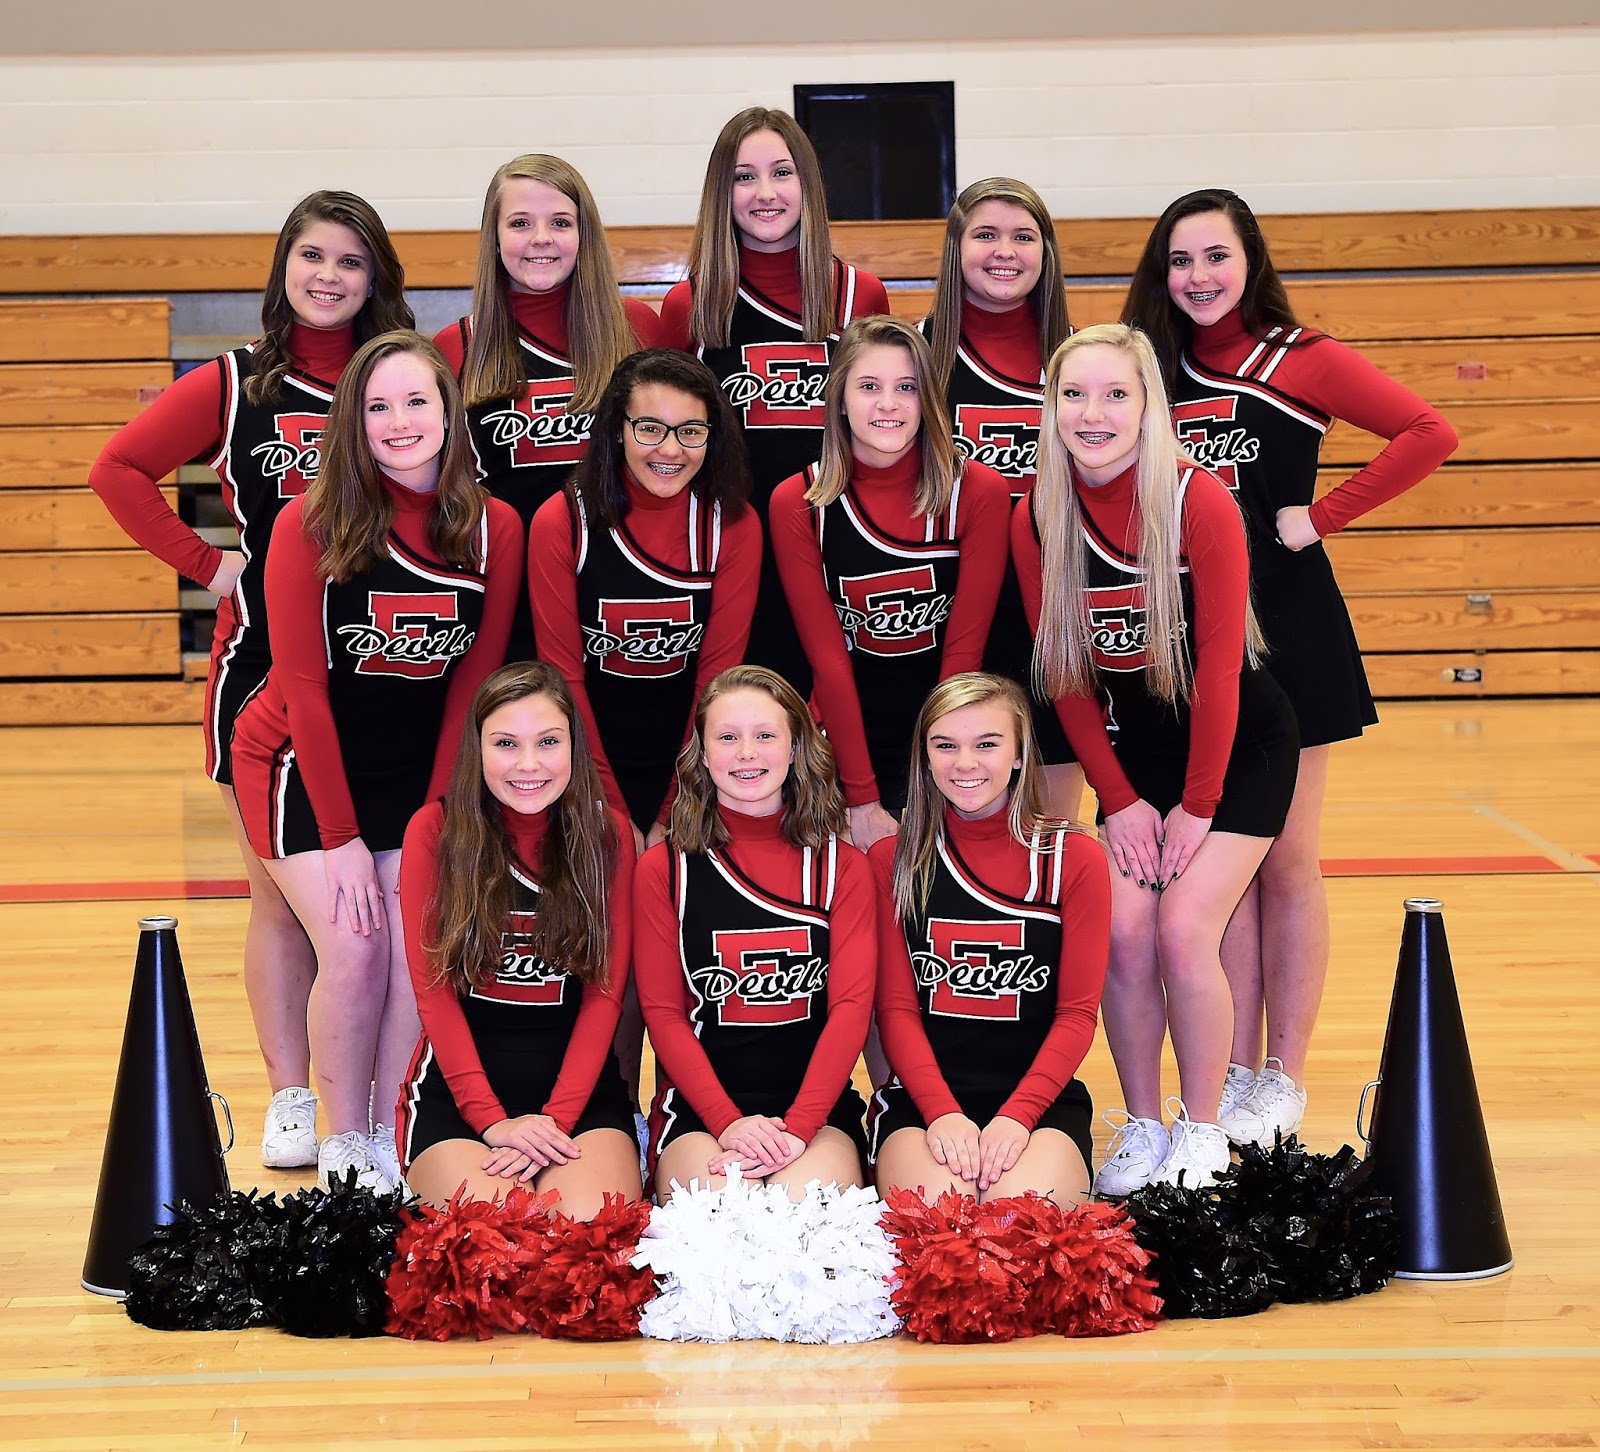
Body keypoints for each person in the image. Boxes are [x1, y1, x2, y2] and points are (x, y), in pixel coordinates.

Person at [1121, 189, 1458, 1146]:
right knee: (1224, 864)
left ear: (1250, 261)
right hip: (1185, 643)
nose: (1197, 278)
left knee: (1288, 860)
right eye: (1179, 261)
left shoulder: (1296, 358)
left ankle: (1284, 1075)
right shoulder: (1150, 367)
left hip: (1291, 628)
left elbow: (1429, 432)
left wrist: (1324, 516)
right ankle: (1228, 1066)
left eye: (1216, 257)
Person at [88, 191, 413, 1171]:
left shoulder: (397, 379)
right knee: (279, 902)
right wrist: (208, 564)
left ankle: (381, 1105)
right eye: (311, 256)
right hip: (264, 677)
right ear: (282, 268)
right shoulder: (235, 385)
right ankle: (290, 1094)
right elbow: (117, 469)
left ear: (375, 280)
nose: (328, 276)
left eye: (350, 262)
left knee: (378, 910)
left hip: (381, 676)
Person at [230, 331, 522, 1191]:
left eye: (417, 402)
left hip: (413, 770)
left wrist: (432, 818)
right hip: (298, 764)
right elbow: (304, 688)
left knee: (412, 942)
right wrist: (345, 836)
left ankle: (391, 1127)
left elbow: (474, 677)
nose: (399, 422)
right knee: (355, 944)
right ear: (352, 423)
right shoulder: (310, 520)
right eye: (377, 406)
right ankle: (344, 1137)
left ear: (448, 411)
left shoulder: (490, 523)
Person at [1014, 323, 1299, 1193]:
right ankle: (1141, 1126)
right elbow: (1064, 676)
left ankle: (1203, 1129)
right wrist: (1125, 800)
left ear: (1148, 407)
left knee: (1182, 930)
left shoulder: (1195, 499)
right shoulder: (1039, 512)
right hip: (1136, 765)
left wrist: (1199, 803)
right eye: (1074, 395)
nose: (1092, 413)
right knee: (1123, 937)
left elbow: (1218, 669)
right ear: (1050, 406)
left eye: (1115, 394)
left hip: (1238, 749)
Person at [657, 108, 890, 698]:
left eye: (782, 173)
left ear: (808, 185)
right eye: (743, 176)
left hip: (838, 546)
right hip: (731, 552)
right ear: (720, 192)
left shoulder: (859, 294)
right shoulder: (691, 305)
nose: (765, 193)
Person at [396, 663, 641, 1215]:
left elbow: (606, 995)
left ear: (574, 747)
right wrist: (492, 1119)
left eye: (548, 742)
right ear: (476, 748)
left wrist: (556, 1118)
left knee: (584, 1242)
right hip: (461, 1097)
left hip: (578, 1094)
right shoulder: (434, 832)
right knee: (502, 1243)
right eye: (506, 743)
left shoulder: (607, 835)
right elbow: (432, 993)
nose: (528, 764)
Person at [634, 666, 875, 1203]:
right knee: (717, 1229)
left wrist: (800, 1125)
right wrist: (727, 1122)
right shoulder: (663, 870)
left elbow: (851, 1009)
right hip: (699, 1111)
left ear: (796, 748)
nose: (747, 752)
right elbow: (664, 1016)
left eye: (765, 735)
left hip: (815, 1108)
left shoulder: (843, 868)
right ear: (700, 752)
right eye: (727, 736)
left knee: (808, 1227)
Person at [868, 673, 1109, 1209]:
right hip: (922, 1101)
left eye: (987, 744)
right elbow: (896, 1011)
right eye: (945, 745)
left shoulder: (1073, 859)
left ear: (1020, 755)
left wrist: (1018, 1116)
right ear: (925, 758)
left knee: (1016, 1225)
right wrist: (942, 1112)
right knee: (940, 1234)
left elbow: (1076, 1015)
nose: (965, 763)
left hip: (1039, 1101)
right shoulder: (893, 860)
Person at [770, 315, 1010, 846]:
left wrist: (944, 771)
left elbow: (963, 656)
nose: (888, 404)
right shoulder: (799, 503)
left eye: (907, 388)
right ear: (839, 399)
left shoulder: (977, 492)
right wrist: (861, 797)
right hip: (848, 735)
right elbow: (828, 659)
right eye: (869, 386)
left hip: (953, 732)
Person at [528, 349, 760, 855]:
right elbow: (561, 678)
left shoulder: (732, 524)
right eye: (650, 428)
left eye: (690, 431)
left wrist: (677, 804)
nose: (671, 450)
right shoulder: (562, 521)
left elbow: (716, 681)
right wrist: (607, 807)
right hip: (585, 757)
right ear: (616, 428)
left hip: (692, 758)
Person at [435, 153, 663, 662]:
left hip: (623, 595)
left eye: (560, 222)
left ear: (585, 235)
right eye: (520, 223)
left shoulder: (638, 331)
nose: (541, 238)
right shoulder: (457, 348)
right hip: (509, 602)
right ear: (493, 237)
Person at [923, 177, 1082, 820]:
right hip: (946, 607)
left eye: (1023, 236)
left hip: (1058, 609)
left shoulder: (1080, 358)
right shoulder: (919, 356)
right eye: (985, 235)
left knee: (1053, 823)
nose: (1004, 251)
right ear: (955, 248)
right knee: (952, 816)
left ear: (1046, 251)